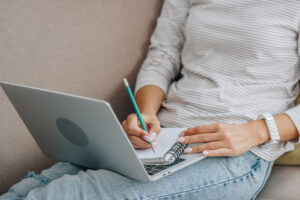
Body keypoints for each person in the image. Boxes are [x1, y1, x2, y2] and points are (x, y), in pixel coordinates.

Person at [1, 0, 300, 199]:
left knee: (67, 195)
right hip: (165, 136)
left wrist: (256, 131)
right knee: (29, 188)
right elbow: (163, 56)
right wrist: (146, 113)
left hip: (236, 153)